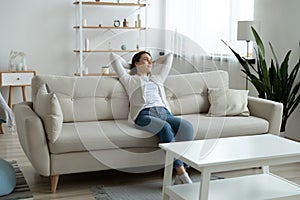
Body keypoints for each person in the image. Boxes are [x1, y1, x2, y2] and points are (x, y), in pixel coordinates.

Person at [110, 51, 194, 184]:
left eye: (150, 60)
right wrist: (131, 66)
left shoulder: (157, 78)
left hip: (164, 113)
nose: (149, 62)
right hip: (144, 114)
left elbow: (170, 56)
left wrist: (151, 62)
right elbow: (113, 57)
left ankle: (181, 171)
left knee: (187, 126)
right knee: (165, 128)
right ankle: (181, 172)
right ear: (136, 63)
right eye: (145, 60)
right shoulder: (129, 79)